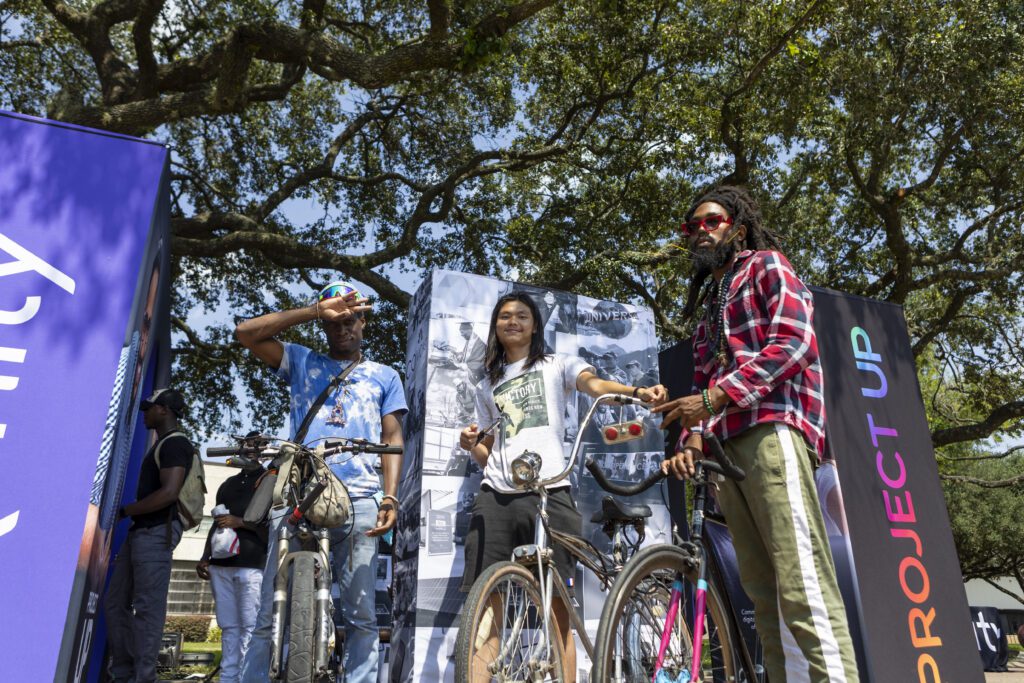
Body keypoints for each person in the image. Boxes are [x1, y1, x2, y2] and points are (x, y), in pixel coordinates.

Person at [656, 185, 860, 683]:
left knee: (802, 579)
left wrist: (713, 399)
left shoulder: (767, 265)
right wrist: (693, 441)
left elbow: (794, 343)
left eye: (711, 221)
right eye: (691, 227)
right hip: (726, 450)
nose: (699, 232)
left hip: (772, 429)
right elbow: (703, 382)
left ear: (737, 228)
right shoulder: (709, 306)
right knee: (762, 593)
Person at [458, 291, 667, 681]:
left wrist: (636, 393)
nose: (513, 321)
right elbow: (487, 450)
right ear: (495, 328)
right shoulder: (487, 385)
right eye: (504, 316)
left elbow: (593, 384)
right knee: (488, 603)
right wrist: (472, 444)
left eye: (522, 315)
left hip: (551, 490)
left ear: (535, 325)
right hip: (497, 494)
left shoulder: (558, 364)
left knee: (558, 607)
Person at [235, 281, 406, 683]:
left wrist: (391, 497)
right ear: (325, 327)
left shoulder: (385, 376)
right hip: (299, 492)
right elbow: (245, 333)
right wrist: (316, 309)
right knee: (269, 611)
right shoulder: (300, 359)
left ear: (363, 323)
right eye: (335, 323)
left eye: (351, 320)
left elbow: (393, 439)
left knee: (361, 614)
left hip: (361, 498)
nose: (344, 329)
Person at [105, 388, 193, 683]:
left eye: (149, 408)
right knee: (115, 603)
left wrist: (127, 510)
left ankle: (142, 678)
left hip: (156, 533)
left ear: (164, 410)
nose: (145, 413)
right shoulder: (163, 444)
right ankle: (123, 675)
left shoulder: (175, 444)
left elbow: (169, 494)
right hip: (141, 533)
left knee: (147, 610)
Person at [196, 456, 268, 683]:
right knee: (228, 627)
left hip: (252, 565)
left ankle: (248, 678)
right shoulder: (228, 484)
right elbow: (217, 523)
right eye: (246, 446)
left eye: (256, 446)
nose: (249, 452)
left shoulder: (271, 483)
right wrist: (205, 556)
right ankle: (228, 677)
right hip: (221, 565)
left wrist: (241, 522)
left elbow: (273, 527)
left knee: (250, 627)